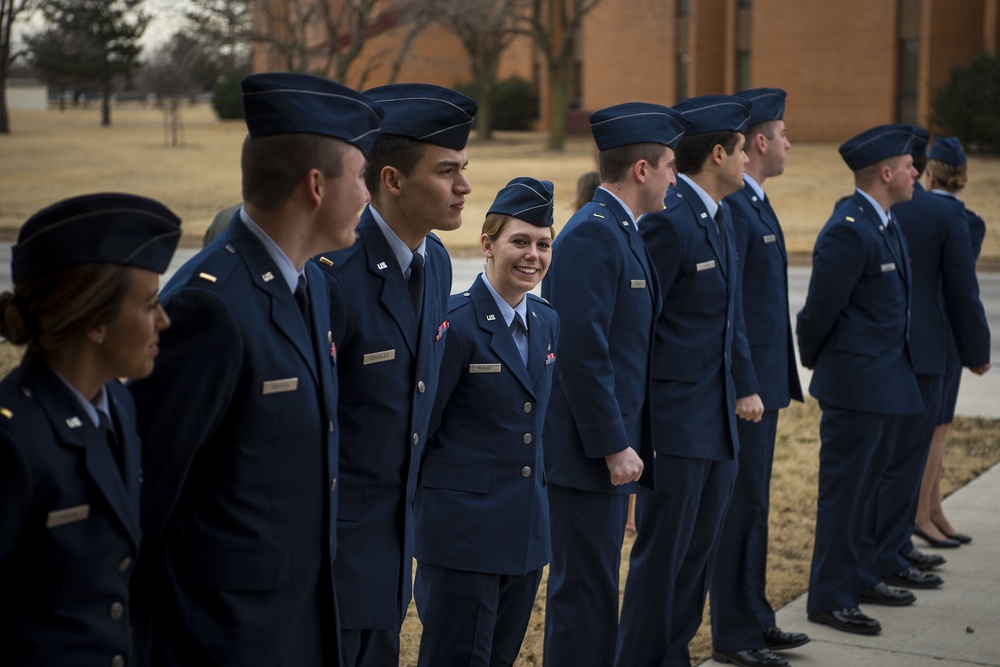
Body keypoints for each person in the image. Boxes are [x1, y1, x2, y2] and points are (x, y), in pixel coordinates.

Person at [127, 72, 384, 666]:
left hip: (296, 622)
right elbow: (148, 493)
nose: (369, 196)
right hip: (222, 637)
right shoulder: (209, 306)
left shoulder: (314, 286)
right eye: (362, 178)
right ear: (316, 185)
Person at [312, 82, 477, 667]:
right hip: (330, 558)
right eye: (448, 171)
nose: (465, 187)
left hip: (393, 547)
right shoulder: (332, 273)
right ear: (392, 180)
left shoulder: (433, 261)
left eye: (464, 169)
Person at [0, 193, 180, 666]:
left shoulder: (117, 404)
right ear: (95, 321)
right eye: (149, 304)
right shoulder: (14, 442)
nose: (164, 320)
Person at [615, 94, 763, 667]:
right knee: (664, 559)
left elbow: (731, 318)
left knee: (696, 558)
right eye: (744, 150)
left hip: (716, 418)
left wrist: (744, 384)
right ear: (719, 153)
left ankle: (671, 654)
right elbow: (640, 329)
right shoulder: (671, 223)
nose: (749, 160)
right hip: (675, 424)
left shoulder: (718, 215)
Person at [541, 102, 685, 667]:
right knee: (583, 598)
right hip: (585, 457)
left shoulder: (622, 231)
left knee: (597, 593)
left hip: (604, 455)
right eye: (670, 165)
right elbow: (581, 351)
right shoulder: (592, 236)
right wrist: (613, 445)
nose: (677, 176)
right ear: (642, 170)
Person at [413, 177, 559, 667]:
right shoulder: (453, 324)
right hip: (463, 537)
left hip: (524, 533)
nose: (532, 255)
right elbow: (422, 430)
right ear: (487, 244)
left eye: (543, 244)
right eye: (520, 241)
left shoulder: (546, 321)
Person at [797, 124, 924, 636]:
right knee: (846, 495)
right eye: (909, 166)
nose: (917, 173)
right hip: (855, 387)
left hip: (884, 383)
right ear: (886, 173)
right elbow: (818, 312)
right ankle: (830, 596)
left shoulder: (886, 222)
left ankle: (862, 576)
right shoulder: (850, 227)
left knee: (868, 492)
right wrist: (821, 362)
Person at [865, 128, 992, 593]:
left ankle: (905, 537)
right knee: (911, 450)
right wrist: (978, 352)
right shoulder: (948, 215)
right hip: (931, 346)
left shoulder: (896, 209)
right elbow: (961, 291)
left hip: (904, 345)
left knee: (905, 453)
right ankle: (900, 541)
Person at [710, 88, 809, 667]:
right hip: (744, 389)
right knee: (741, 508)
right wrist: (747, 381)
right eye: (783, 134)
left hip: (765, 384)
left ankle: (755, 615)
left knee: (755, 506)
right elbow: (734, 310)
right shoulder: (736, 209)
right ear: (759, 142)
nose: (790, 144)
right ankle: (736, 631)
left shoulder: (755, 201)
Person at [915, 136, 990, 548]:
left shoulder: (918, 211)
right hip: (944, 338)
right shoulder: (968, 220)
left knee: (935, 430)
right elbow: (964, 292)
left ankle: (933, 507)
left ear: (929, 174)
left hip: (936, 335)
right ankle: (923, 512)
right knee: (937, 431)